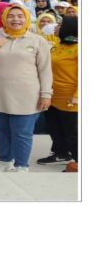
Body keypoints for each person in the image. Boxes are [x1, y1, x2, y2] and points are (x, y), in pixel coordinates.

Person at [0, 5, 53, 172]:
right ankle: (5, 161)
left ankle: (21, 165)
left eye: (20, 16)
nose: (16, 19)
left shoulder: (37, 40)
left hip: (26, 94)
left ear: (26, 18)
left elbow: (45, 70)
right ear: (4, 18)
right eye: (11, 16)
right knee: (1, 130)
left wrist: (46, 93)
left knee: (22, 132)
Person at [38, 16, 78, 172]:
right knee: (55, 128)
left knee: (73, 133)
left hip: (70, 98)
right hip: (52, 96)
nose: (55, 26)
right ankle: (61, 154)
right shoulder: (57, 45)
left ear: (69, 28)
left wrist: (77, 96)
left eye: (60, 24)